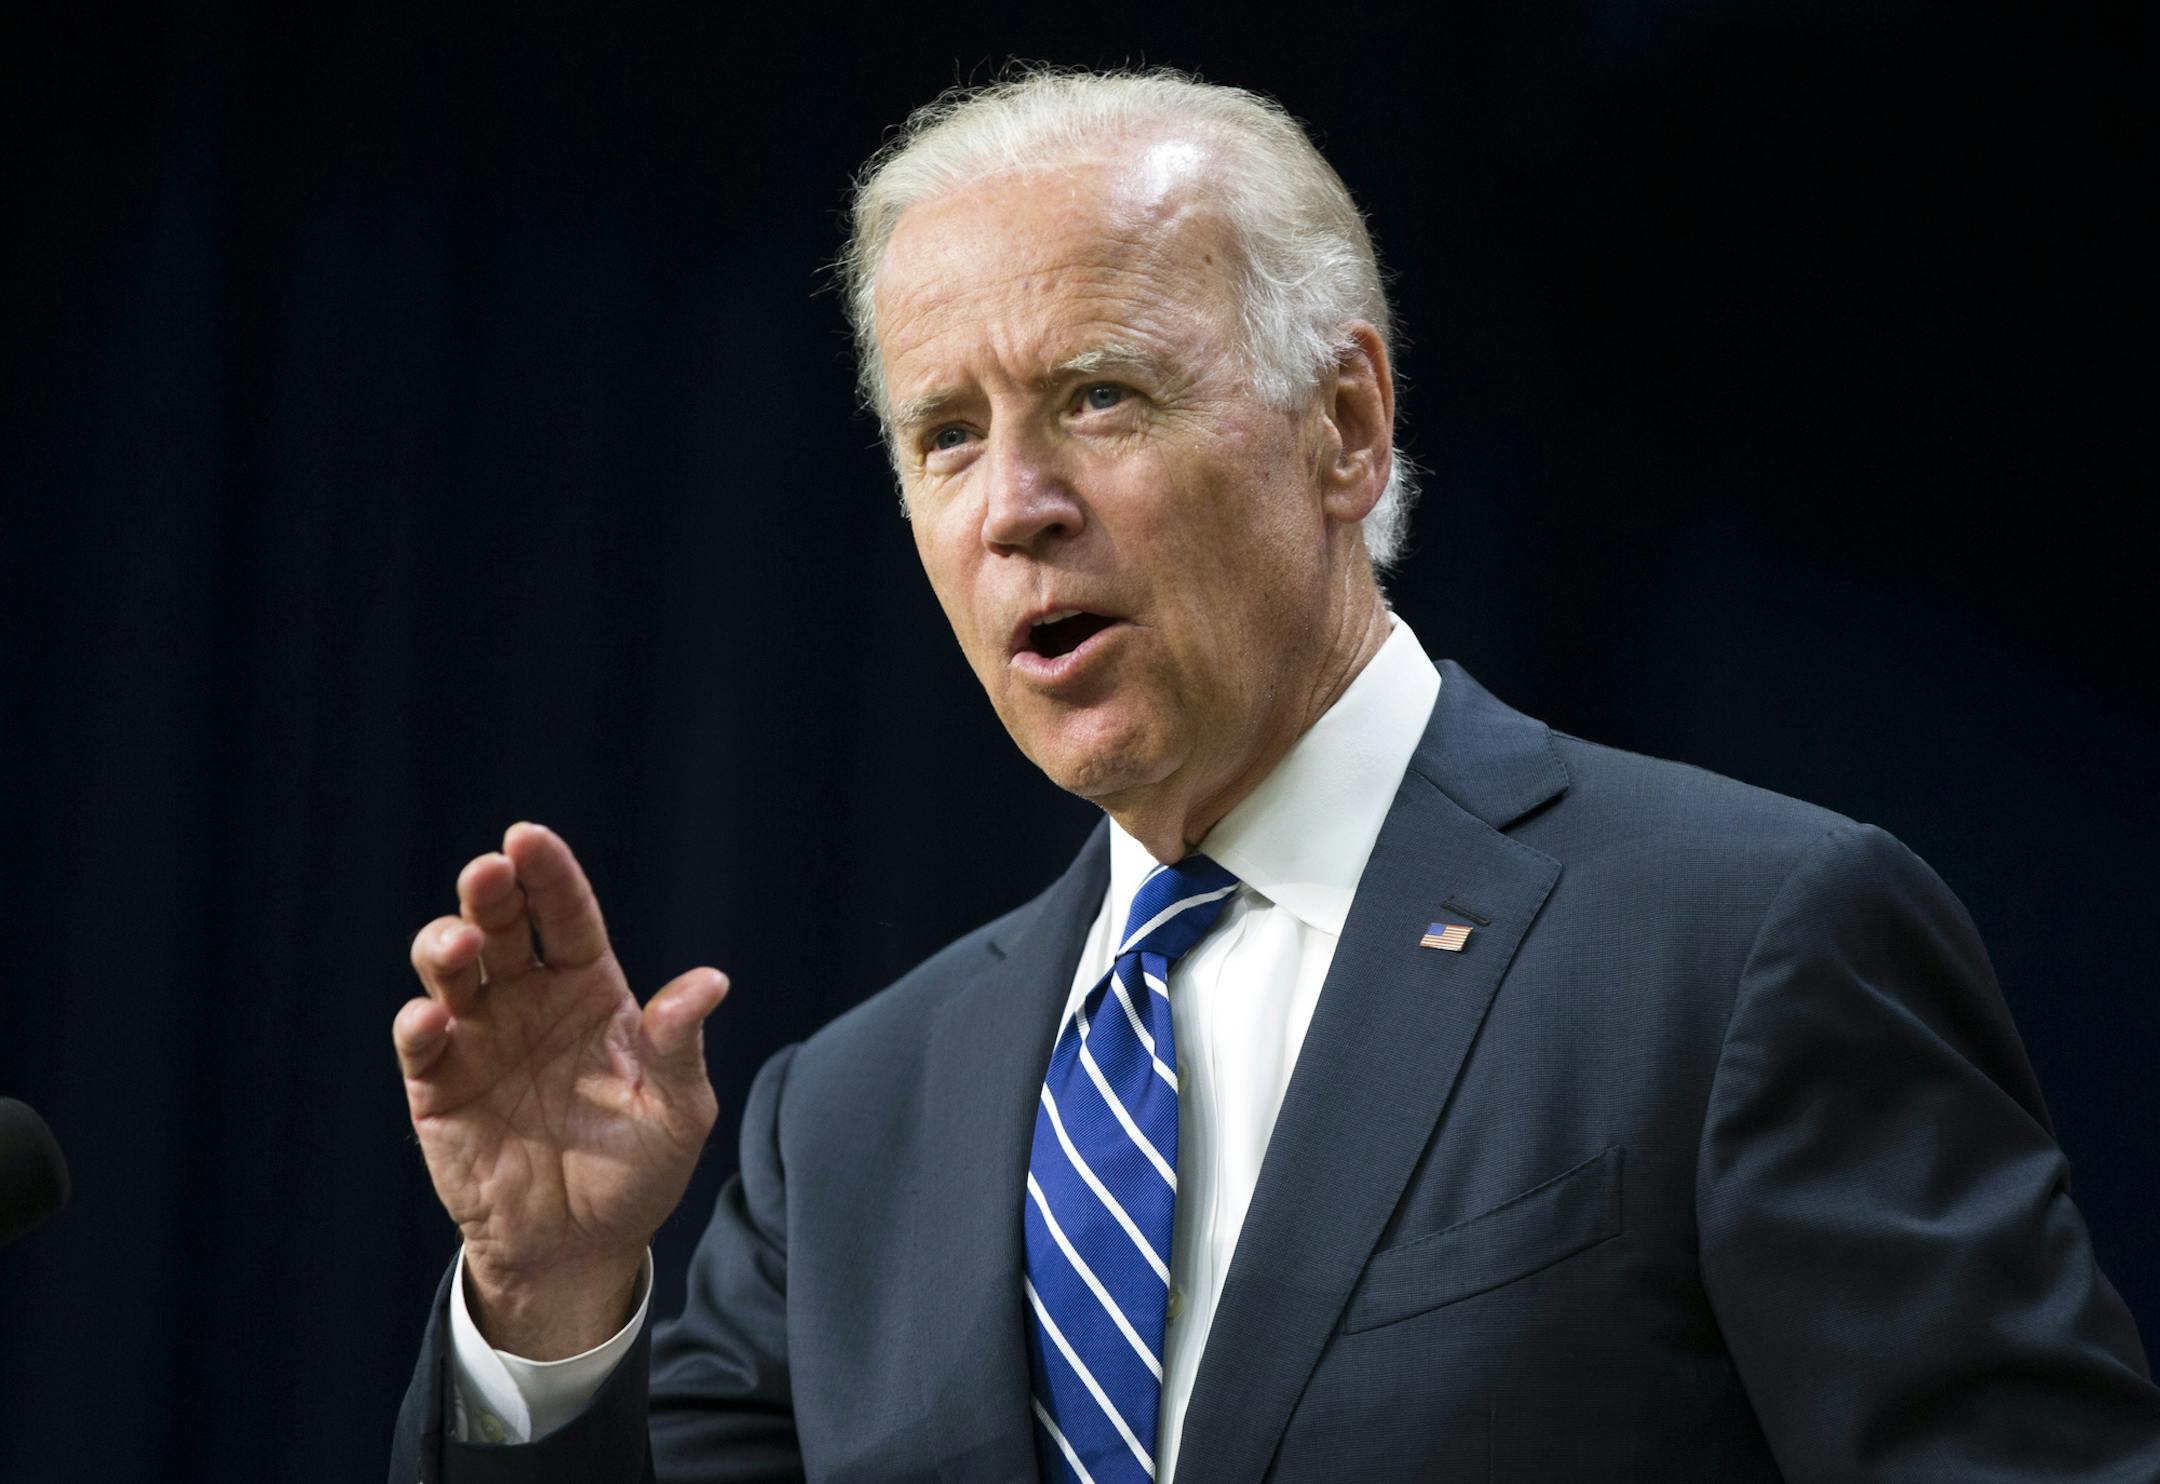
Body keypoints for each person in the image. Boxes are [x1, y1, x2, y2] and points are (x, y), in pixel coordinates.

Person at [388, 69, 2160, 1483]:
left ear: (1347, 426)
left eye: (1098, 397)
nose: (1014, 506)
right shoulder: (847, 1122)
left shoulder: (1737, 945)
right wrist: (549, 1304)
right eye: (946, 435)